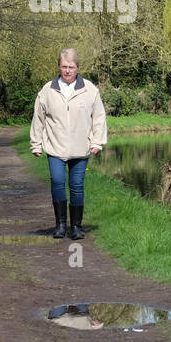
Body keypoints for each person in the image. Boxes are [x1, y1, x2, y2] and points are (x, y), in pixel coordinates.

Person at [30, 48, 107, 239]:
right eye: (64, 66)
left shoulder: (89, 90)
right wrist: (36, 144)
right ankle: (61, 225)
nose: (67, 71)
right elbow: (38, 118)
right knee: (57, 182)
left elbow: (99, 117)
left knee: (76, 185)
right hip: (55, 147)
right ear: (59, 67)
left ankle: (77, 227)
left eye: (71, 67)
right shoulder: (47, 90)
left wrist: (98, 141)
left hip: (81, 148)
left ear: (77, 68)